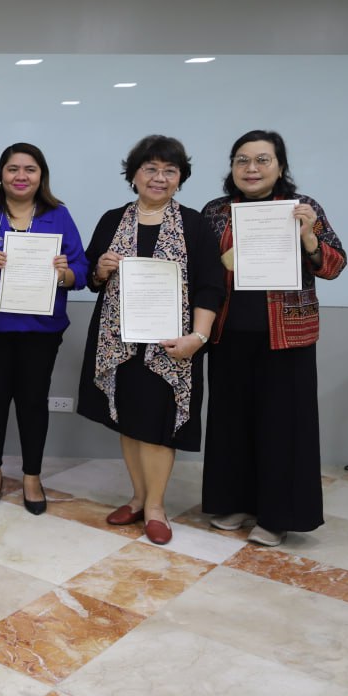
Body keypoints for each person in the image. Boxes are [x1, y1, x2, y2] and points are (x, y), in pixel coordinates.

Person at [200, 130, 346, 547]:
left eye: (262, 160)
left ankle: (277, 514)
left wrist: (309, 237)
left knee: (282, 427)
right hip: (227, 335)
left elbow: (334, 266)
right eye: (242, 160)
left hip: (287, 337)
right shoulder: (216, 211)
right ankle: (234, 502)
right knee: (231, 423)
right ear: (232, 167)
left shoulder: (303, 208)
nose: (252, 168)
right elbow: (204, 269)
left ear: (280, 166)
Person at [77, 135, 223, 545]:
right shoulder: (112, 219)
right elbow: (91, 278)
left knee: (159, 425)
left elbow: (211, 287)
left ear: (180, 178)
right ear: (134, 175)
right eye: (151, 169)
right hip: (118, 341)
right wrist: (102, 269)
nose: (159, 178)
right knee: (129, 420)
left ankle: (156, 507)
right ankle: (138, 498)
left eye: (169, 171)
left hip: (172, 344)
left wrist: (198, 337)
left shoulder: (194, 224)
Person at [0, 143, 88, 515]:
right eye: (13, 169)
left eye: (30, 169)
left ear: (41, 176)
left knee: (33, 402)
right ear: (1, 174)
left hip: (41, 329)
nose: (21, 176)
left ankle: (32, 476)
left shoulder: (58, 215)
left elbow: (81, 271)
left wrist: (63, 273)